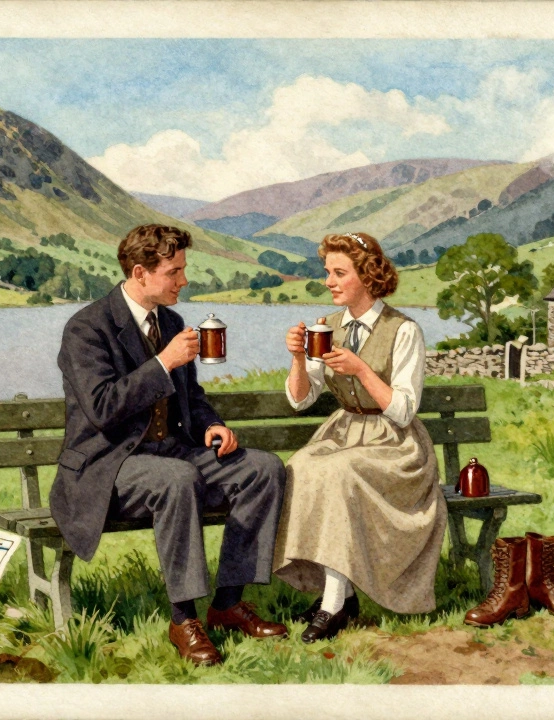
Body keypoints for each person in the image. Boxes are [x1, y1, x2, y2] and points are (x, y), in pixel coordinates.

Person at [52, 224, 288, 667]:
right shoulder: (86, 328)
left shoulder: (171, 322)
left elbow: (190, 399)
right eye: (174, 272)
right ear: (140, 273)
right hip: (108, 465)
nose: (183, 281)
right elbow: (102, 408)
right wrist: (163, 363)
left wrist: (211, 426)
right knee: (177, 478)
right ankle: (183, 619)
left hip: (169, 454)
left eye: (183, 270)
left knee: (263, 469)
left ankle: (228, 604)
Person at [273, 231, 447, 643]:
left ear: (367, 276)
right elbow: (300, 400)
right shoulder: (326, 328)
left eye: (339, 273)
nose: (329, 282)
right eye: (327, 273)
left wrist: (361, 370)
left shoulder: (403, 330)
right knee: (302, 464)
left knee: (339, 470)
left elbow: (404, 409)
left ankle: (333, 603)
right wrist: (298, 358)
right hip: (346, 430)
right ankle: (341, 595)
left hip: (395, 444)